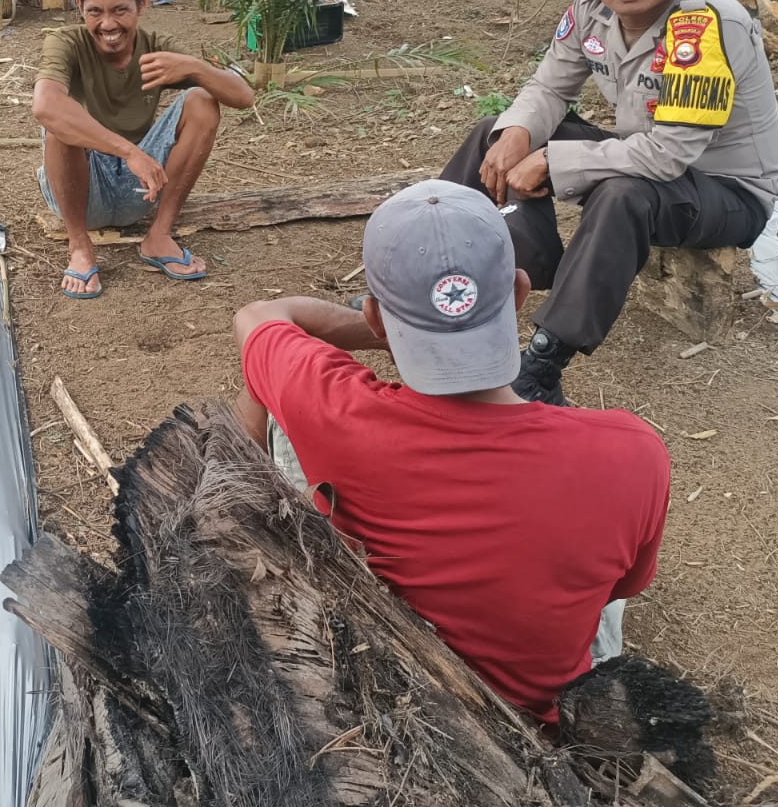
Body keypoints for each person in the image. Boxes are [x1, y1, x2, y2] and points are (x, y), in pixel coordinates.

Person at [233, 180, 670, 725]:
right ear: (518, 293)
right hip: (539, 726)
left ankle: (239, 515)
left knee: (271, 387)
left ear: (374, 317)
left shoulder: (335, 410)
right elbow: (623, 586)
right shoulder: (634, 452)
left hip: (399, 699)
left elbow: (259, 316)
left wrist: (403, 330)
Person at [438, 0, 778, 405]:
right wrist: (518, 133)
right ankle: (449, 274)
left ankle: (543, 365)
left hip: (727, 191)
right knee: (495, 131)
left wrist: (551, 159)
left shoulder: (706, 27)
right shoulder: (591, 9)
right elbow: (549, 89)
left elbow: (667, 156)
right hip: (648, 159)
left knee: (624, 193)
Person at [32, 0, 254, 299]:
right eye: (95, 11)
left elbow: (244, 98)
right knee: (59, 122)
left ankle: (159, 235)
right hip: (83, 191)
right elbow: (45, 106)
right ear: (79, 5)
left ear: (143, 3)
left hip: (142, 187)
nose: (107, 24)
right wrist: (129, 152)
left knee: (202, 100)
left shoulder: (157, 48)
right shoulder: (66, 42)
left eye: (120, 10)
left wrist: (195, 67)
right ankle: (80, 246)